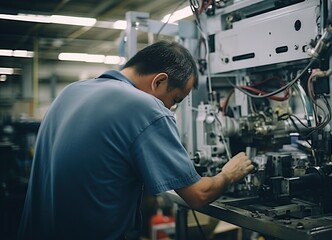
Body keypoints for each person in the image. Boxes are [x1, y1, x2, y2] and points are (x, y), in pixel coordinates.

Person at [18, 40, 254, 240]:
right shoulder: (145, 107)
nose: (171, 109)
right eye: (175, 100)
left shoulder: (70, 92)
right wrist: (229, 173)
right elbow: (198, 195)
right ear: (159, 81)